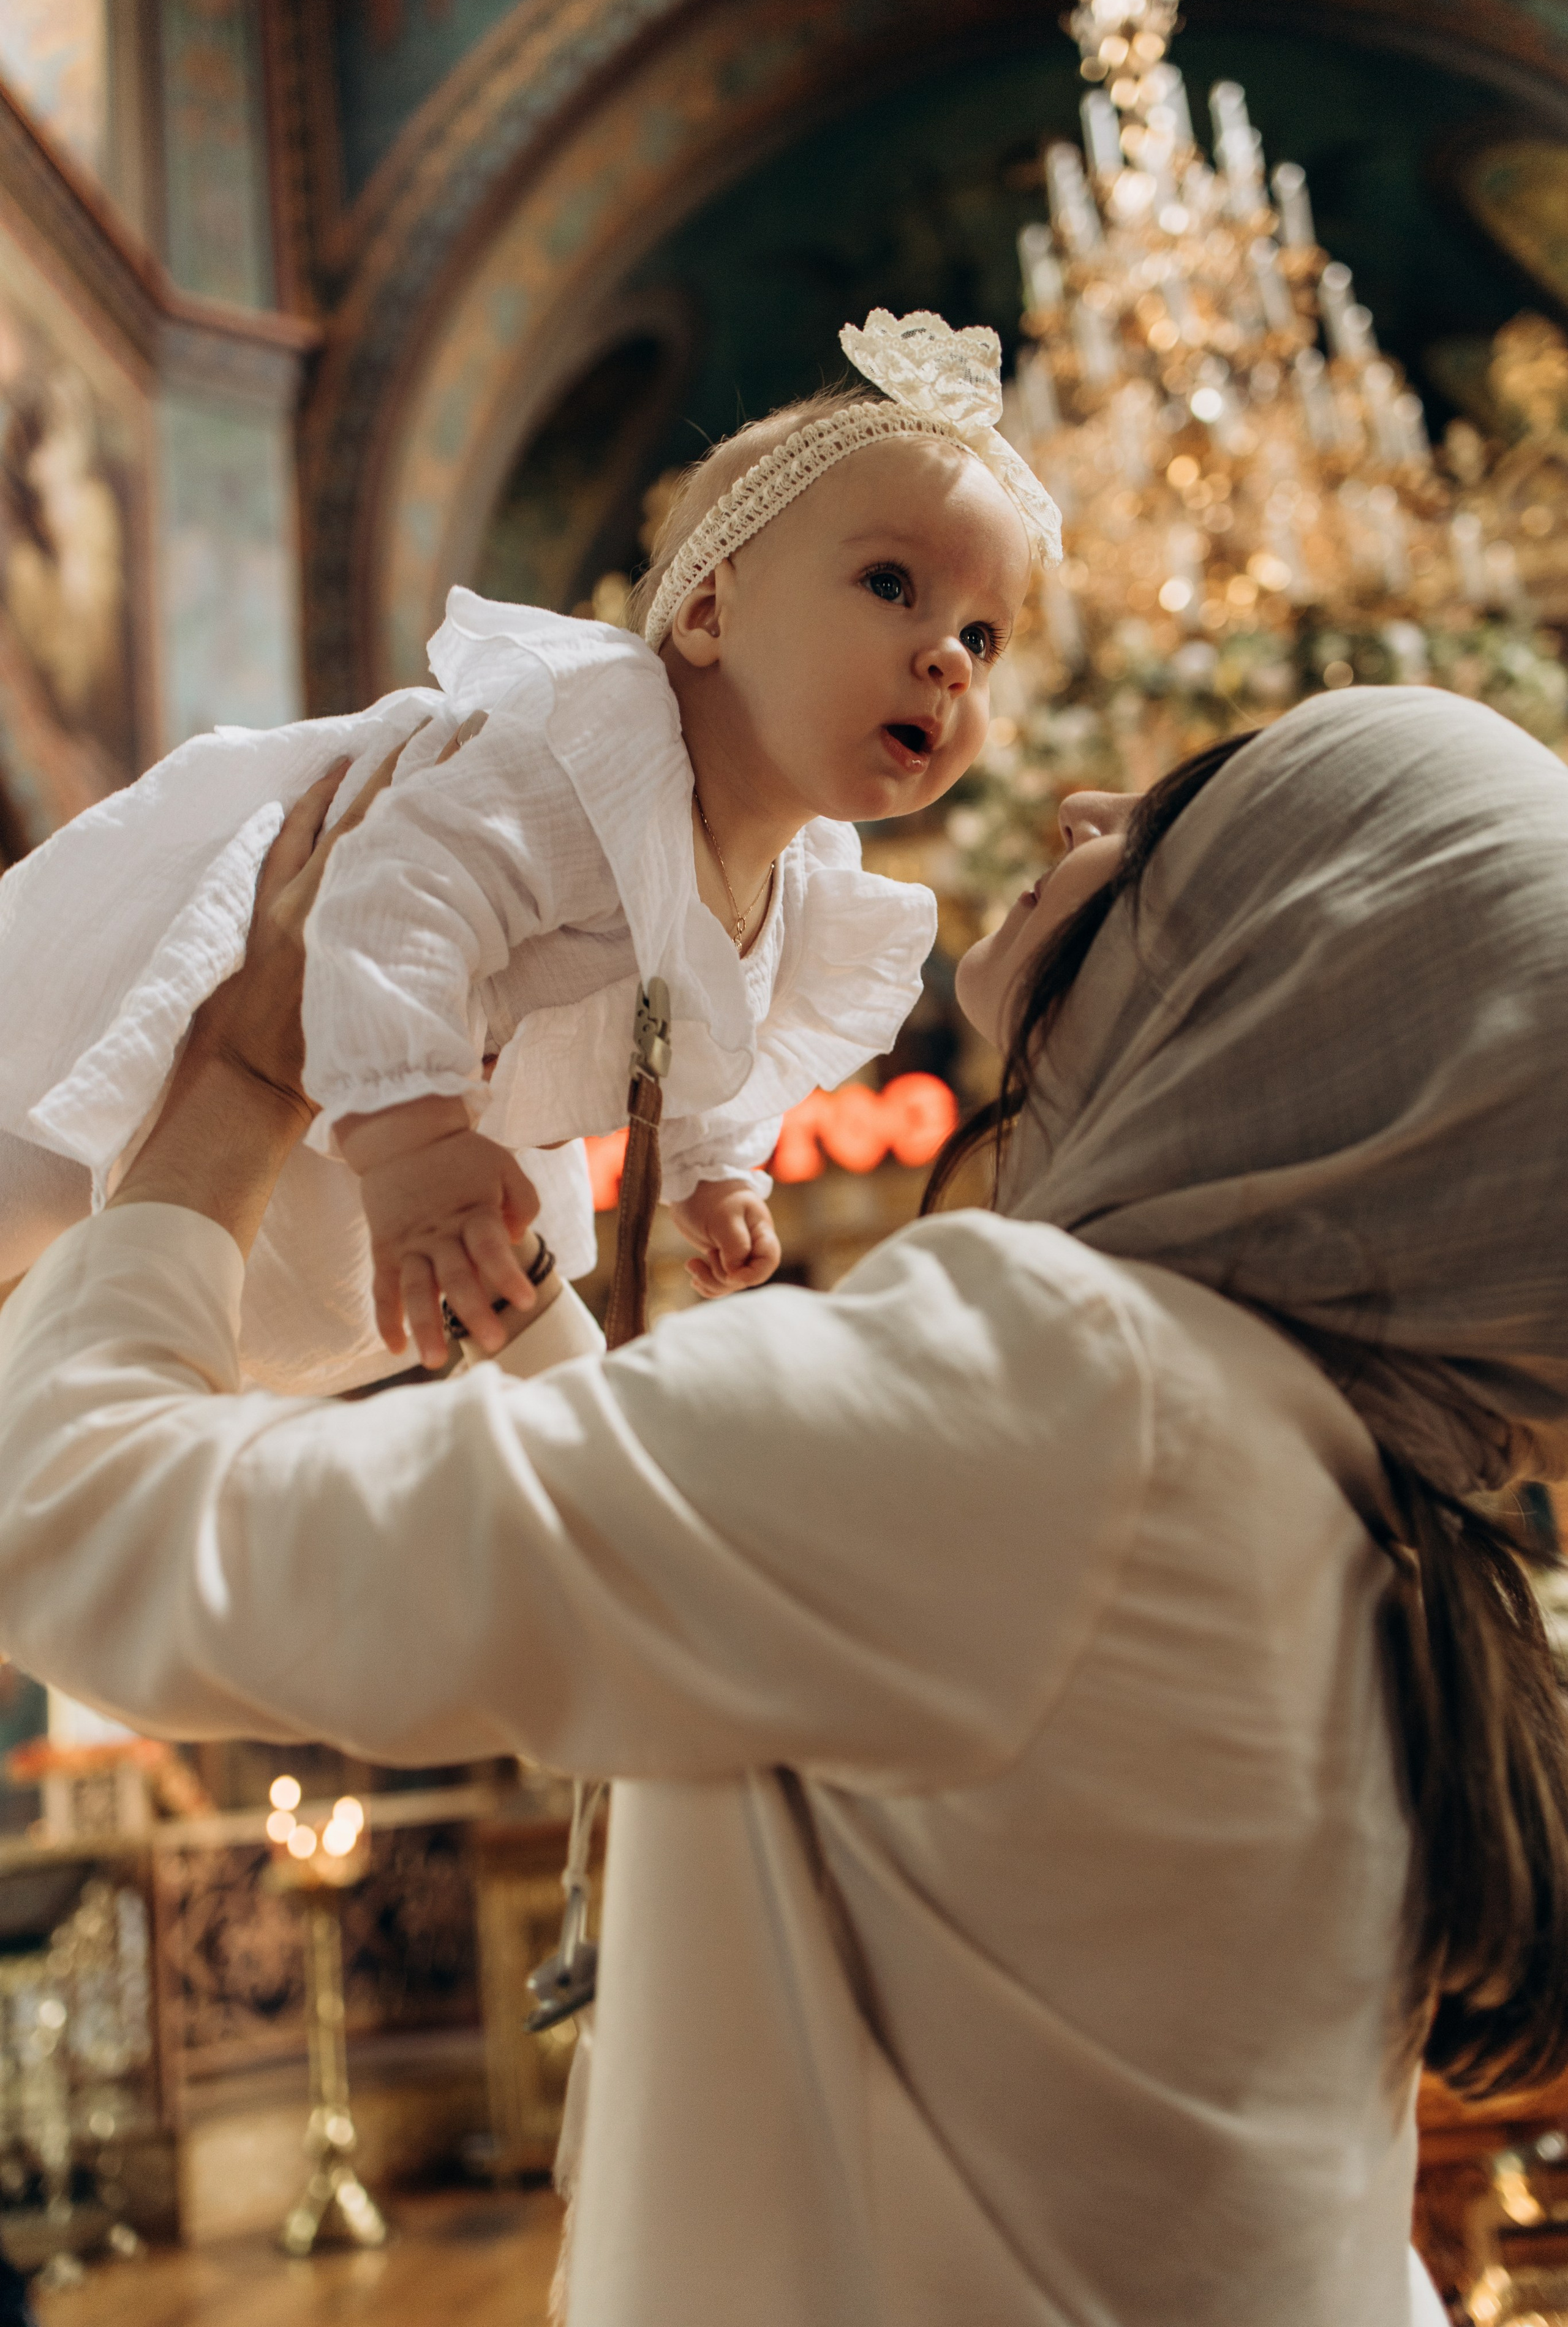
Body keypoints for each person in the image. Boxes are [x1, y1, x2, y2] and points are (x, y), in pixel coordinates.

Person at [2, 682, 1562, 2326]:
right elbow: (818, 1596)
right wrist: (525, 1312)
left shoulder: (1080, 1393)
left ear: (1287, 977)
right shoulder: (1320, 1474)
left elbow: (80, 1521)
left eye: (1179, 827)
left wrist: (243, 1078)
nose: (1084, 811)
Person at [0, 309, 1056, 1392]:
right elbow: (389, 897)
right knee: (40, 1183)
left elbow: (707, 1028)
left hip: (384, 1094)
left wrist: (713, 1170)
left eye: (984, 635)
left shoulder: (803, 877)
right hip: (241, 991)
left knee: (161, 1324)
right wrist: (409, 1143)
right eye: (892, 584)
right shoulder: (592, 758)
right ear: (706, 614)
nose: (948, 661)